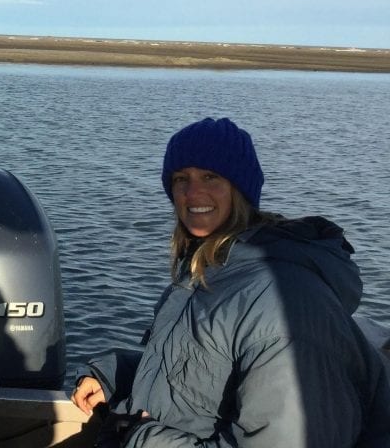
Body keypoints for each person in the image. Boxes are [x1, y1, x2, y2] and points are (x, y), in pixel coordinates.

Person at [71, 117, 390, 447]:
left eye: (211, 176)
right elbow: (199, 375)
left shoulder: (284, 298)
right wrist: (116, 375)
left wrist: (142, 438)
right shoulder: (209, 270)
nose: (193, 192)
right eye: (181, 179)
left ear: (240, 188)